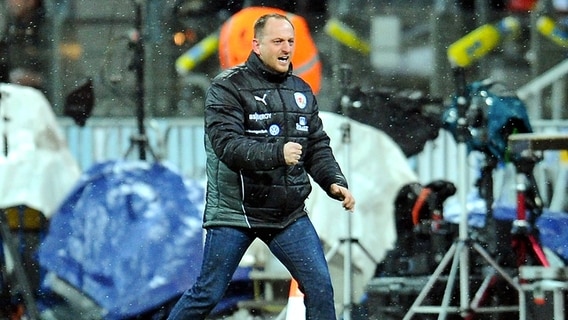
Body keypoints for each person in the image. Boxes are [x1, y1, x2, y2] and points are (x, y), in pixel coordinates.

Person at [167, 13, 355, 320]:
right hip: (235, 212)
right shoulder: (226, 88)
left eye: (290, 41)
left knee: (320, 286)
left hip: (286, 213)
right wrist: (277, 153)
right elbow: (228, 146)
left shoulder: (301, 90)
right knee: (207, 293)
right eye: (278, 41)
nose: (286, 48)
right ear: (256, 45)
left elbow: (316, 145)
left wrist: (334, 180)